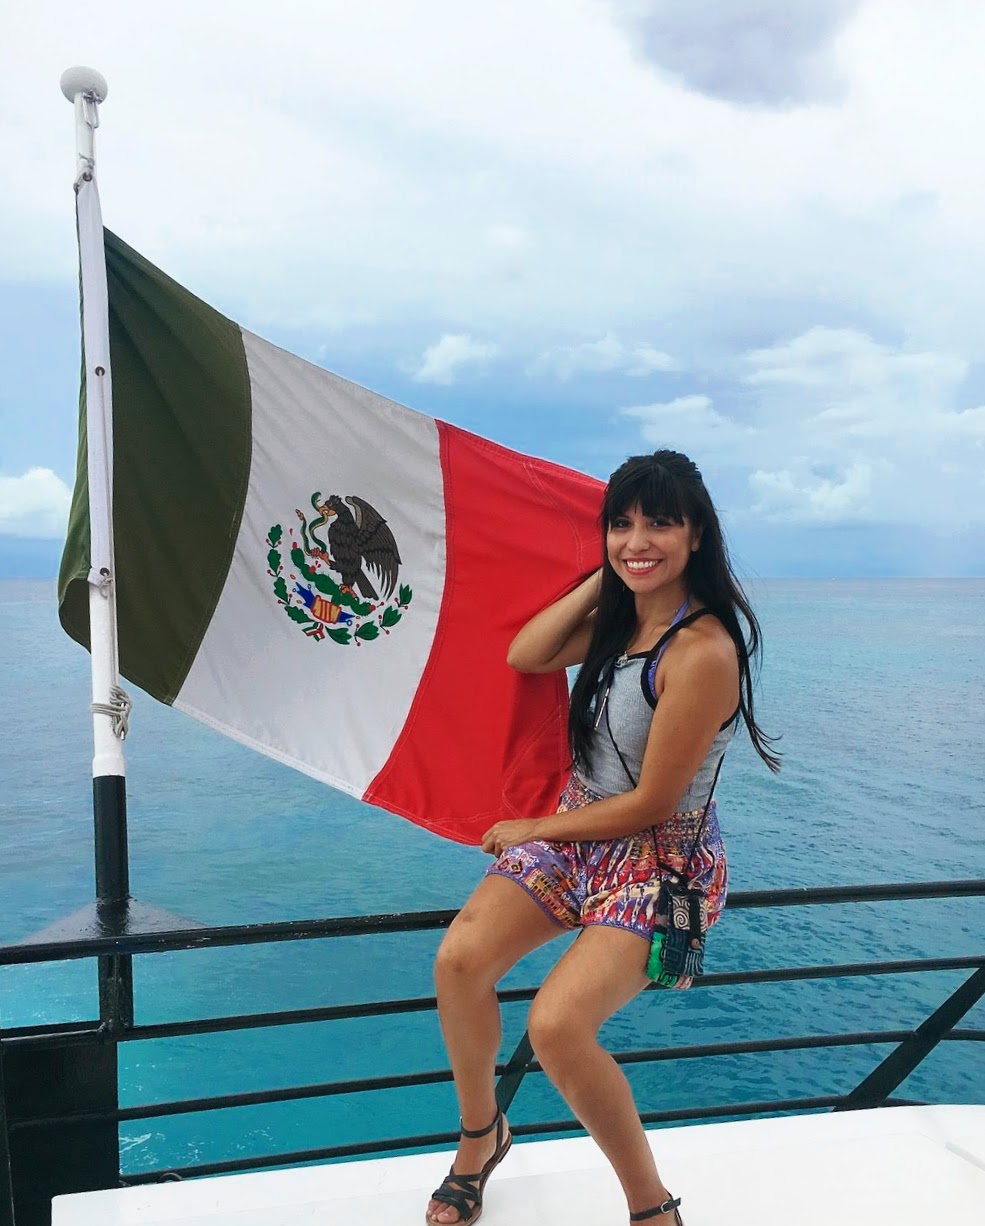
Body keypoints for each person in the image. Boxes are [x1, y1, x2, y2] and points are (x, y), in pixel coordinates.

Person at [425, 450, 779, 1226]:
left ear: (697, 534)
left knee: (555, 1026)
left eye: (658, 523)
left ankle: (651, 1208)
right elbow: (526, 653)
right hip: (580, 835)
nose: (637, 538)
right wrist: (613, 575)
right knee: (458, 961)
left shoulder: (701, 651)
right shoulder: (625, 622)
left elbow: (652, 803)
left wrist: (530, 828)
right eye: (620, 524)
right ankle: (481, 1137)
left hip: (657, 858)